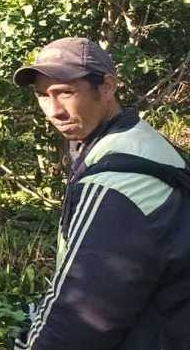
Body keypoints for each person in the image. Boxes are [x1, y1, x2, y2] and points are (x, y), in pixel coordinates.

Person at [12, 38, 190, 349]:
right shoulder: (134, 137)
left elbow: (78, 318)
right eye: (42, 96)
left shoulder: (115, 184)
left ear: (107, 87)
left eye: (65, 92)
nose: (53, 111)